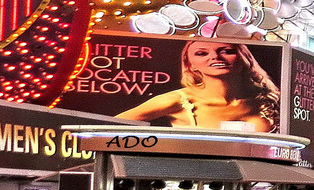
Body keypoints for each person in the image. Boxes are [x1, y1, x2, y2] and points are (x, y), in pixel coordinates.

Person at [114, 39, 280, 130]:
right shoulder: (177, 100)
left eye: (227, 51)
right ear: (190, 64)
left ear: (244, 58)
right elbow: (110, 128)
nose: (215, 57)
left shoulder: (271, 99)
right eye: (202, 53)